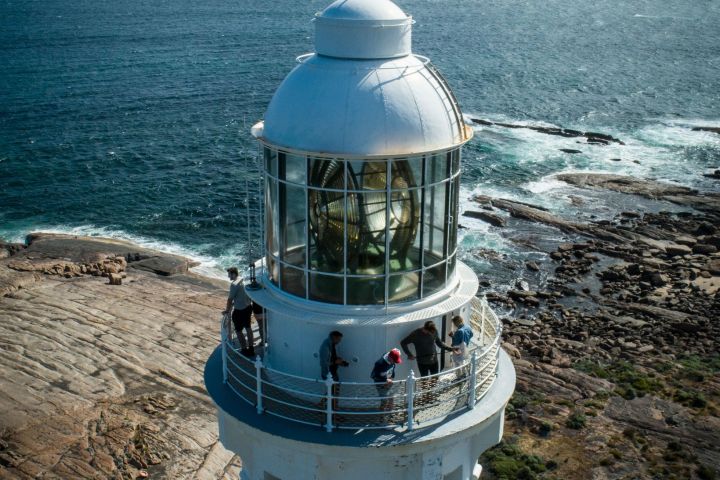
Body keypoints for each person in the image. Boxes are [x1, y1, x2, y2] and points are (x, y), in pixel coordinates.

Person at [223, 267, 254, 357]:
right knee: (248, 328)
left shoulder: (234, 284)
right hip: (248, 308)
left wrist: (227, 310)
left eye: (229, 274)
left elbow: (230, 299)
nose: (228, 277)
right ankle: (251, 349)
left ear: (233, 274)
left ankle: (244, 349)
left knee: (239, 331)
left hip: (239, 311)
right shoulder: (243, 279)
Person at [318, 331, 349, 412]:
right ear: (334, 338)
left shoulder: (331, 344)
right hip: (329, 374)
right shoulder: (325, 347)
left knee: (331, 392)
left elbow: (331, 358)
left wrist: (338, 361)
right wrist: (336, 362)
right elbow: (323, 363)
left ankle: (320, 405)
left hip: (332, 373)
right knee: (334, 393)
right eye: (339, 340)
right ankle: (334, 412)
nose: (339, 342)